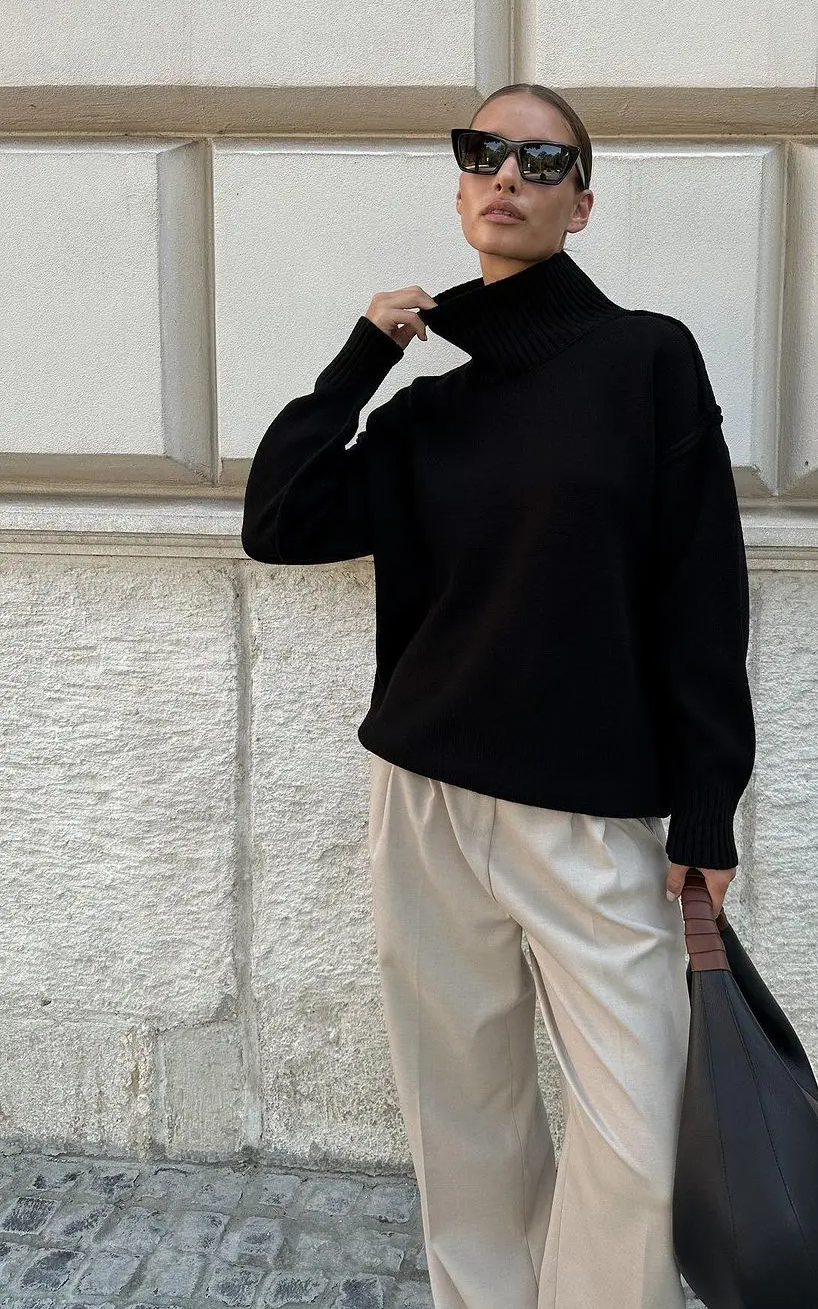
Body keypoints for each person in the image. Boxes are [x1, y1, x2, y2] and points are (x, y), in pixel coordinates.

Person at [241, 82, 756, 1309]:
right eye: (483, 152)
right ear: (463, 182)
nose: (508, 174)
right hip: (424, 797)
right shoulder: (432, 410)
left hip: (587, 814)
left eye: (543, 159)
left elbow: (702, 590)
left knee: (639, 1132)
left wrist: (707, 807)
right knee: (461, 1115)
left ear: (583, 203)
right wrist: (363, 356)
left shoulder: (647, 359)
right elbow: (280, 522)